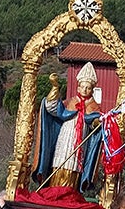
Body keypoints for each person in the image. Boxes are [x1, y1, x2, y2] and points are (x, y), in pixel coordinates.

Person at [34, 62, 104, 192]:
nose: (84, 90)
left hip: (80, 139)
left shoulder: (93, 106)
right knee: (60, 158)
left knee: (75, 163)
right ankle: (54, 188)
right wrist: (55, 88)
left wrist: (97, 122)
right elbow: (52, 108)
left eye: (88, 88)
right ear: (78, 88)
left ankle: (71, 190)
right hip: (66, 135)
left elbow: (95, 122)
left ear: (92, 90)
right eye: (82, 87)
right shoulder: (70, 102)